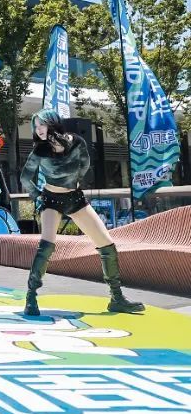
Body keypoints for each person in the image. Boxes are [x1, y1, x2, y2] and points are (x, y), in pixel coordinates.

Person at [19, 108, 144, 316]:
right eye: (36, 126)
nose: (38, 129)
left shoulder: (76, 142)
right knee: (46, 246)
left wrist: (73, 180)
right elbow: (25, 177)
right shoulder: (40, 150)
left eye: (42, 124)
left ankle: (117, 298)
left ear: (53, 123)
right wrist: (37, 196)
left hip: (75, 199)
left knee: (107, 245)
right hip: (51, 200)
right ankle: (31, 297)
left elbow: (85, 164)